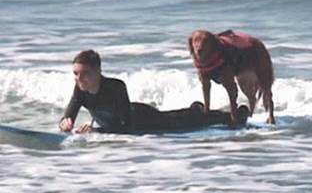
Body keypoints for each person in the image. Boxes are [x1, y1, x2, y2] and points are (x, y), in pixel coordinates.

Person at [59, 50, 249, 134]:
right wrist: (65, 123)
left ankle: (235, 116)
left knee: (186, 122)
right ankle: (196, 109)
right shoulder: (80, 90)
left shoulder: (116, 87)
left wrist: (96, 131)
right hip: (127, 122)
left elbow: (127, 128)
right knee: (186, 117)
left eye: (84, 74)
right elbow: (69, 114)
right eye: (75, 74)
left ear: (98, 72)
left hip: (145, 119)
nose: (79, 78)